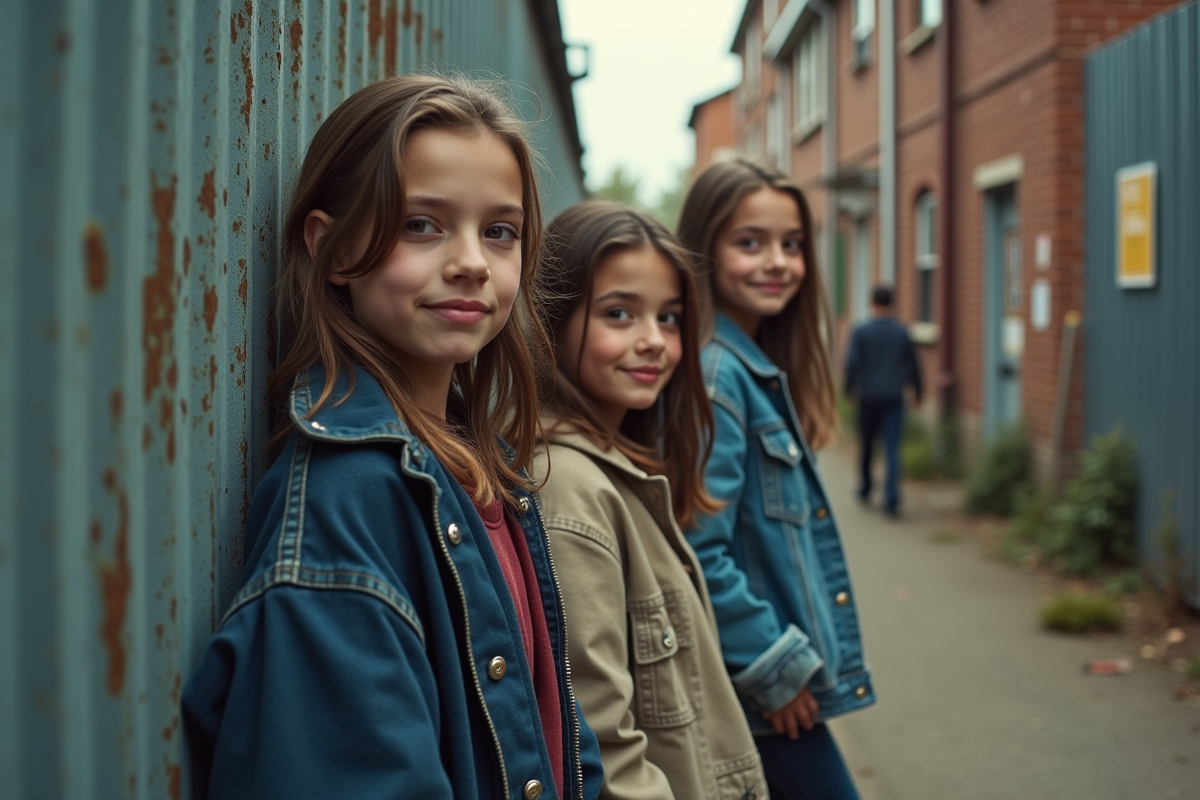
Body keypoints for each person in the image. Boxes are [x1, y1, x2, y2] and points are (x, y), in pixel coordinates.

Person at [181, 74, 602, 800]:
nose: (472, 260)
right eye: (422, 224)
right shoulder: (343, 510)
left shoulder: (484, 468)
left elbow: (552, 734)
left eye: (499, 231)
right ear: (333, 248)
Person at [532, 201, 767, 800]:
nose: (654, 341)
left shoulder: (618, 467)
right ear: (554, 317)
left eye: (669, 318)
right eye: (619, 313)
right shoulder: (570, 491)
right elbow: (602, 745)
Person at [677, 158, 875, 800]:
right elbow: (696, 545)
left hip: (769, 691)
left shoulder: (747, 366)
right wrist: (773, 667)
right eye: (750, 243)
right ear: (704, 251)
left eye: (791, 245)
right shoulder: (718, 375)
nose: (778, 262)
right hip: (758, 690)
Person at [844, 285, 923, 517]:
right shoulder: (901, 332)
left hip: (868, 396)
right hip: (893, 396)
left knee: (867, 444)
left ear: (871, 303)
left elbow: (852, 364)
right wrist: (917, 390)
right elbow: (913, 363)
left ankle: (866, 486)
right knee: (891, 447)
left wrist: (850, 390)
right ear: (892, 303)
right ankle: (892, 498)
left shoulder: (861, 331)